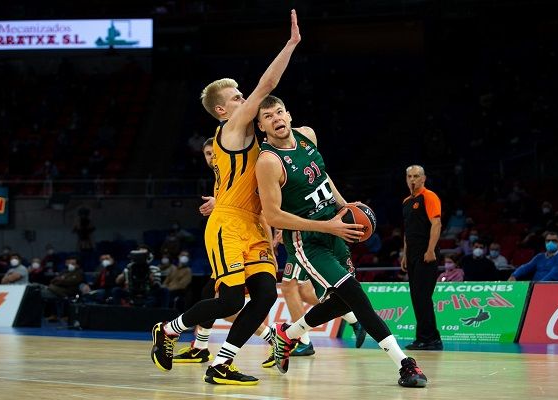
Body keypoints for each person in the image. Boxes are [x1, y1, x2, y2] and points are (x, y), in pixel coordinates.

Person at [150, 10, 301, 386]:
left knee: (265, 296)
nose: (245, 99)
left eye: (241, 95)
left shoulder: (248, 136)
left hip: (252, 221)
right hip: (229, 225)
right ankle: (168, 330)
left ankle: (221, 364)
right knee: (231, 300)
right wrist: (291, 44)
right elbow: (267, 85)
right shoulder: (231, 128)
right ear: (222, 110)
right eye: (237, 97)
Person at [255, 95, 427, 388]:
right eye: (268, 117)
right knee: (356, 296)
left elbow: (323, 177)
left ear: (289, 115)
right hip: (308, 241)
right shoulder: (268, 161)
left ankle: (287, 335)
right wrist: (327, 226)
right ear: (261, 127)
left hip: (334, 227)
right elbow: (273, 215)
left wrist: (346, 207)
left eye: (279, 112)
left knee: (340, 302)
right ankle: (405, 364)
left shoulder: (307, 136)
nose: (276, 119)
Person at [172, 137, 277, 368]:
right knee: (211, 294)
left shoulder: (240, 169)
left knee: (230, 301)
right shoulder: (222, 178)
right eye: (207, 154)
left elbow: (259, 210)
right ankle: (200, 347)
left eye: (214, 153)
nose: (211, 158)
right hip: (233, 237)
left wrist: (270, 249)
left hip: (248, 239)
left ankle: (274, 337)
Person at [401, 165, 443, 351]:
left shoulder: (429, 196)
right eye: (410, 176)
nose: (413, 179)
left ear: (423, 178)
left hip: (426, 254)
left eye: (416, 176)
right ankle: (425, 338)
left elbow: (436, 223)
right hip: (412, 255)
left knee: (423, 296)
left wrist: (430, 250)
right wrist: (405, 254)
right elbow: (408, 231)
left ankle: (430, 339)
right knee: (417, 297)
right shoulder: (406, 202)